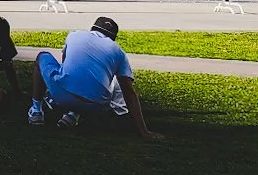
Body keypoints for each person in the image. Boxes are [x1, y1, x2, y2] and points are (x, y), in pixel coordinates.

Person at [28, 16, 164, 140]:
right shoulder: (118, 51)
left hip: (61, 96)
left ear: (92, 28)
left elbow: (66, 64)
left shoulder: (74, 35)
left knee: (43, 56)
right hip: (96, 106)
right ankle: (72, 115)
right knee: (106, 80)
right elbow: (129, 92)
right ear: (113, 37)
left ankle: (36, 111)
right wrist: (144, 131)